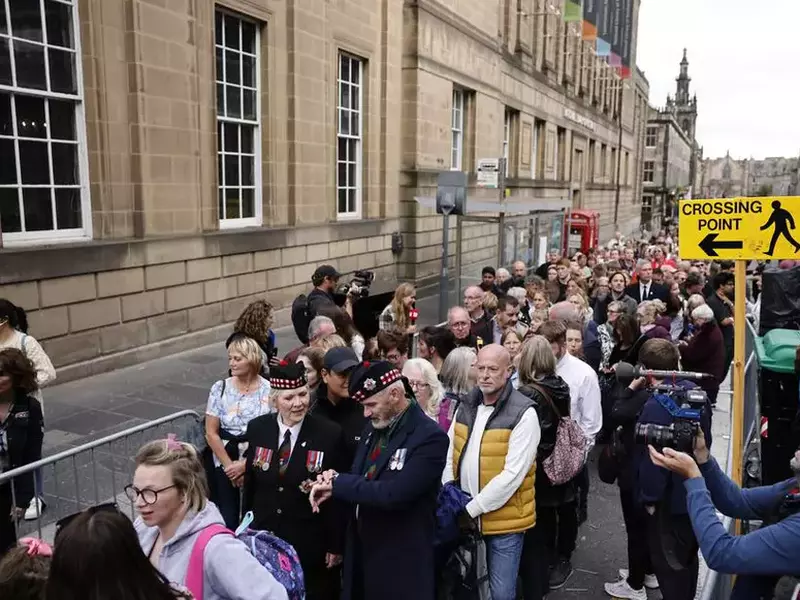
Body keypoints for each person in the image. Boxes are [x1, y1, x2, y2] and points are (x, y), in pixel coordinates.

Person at [308, 361, 448, 600]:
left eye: (371, 404)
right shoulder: (373, 428)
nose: (366, 413)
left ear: (394, 394)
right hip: (362, 556)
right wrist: (333, 483)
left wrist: (341, 483)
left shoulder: (430, 437)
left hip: (401, 565)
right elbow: (362, 477)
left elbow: (395, 494)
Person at [131, 437, 288, 600]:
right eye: (136, 491)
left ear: (184, 492)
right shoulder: (143, 528)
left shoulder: (218, 549)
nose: (138, 502)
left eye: (150, 493)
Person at [649, 434, 800, 600]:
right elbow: (738, 501)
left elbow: (721, 553)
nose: (798, 450)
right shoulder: (795, 487)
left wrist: (694, 479)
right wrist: (703, 457)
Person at [243, 361, 348, 600]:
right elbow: (251, 485)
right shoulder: (258, 429)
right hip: (267, 537)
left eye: (302, 394)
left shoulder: (329, 433)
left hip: (310, 541)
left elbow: (338, 495)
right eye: (289, 398)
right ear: (275, 400)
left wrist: (336, 544)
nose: (298, 403)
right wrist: (246, 528)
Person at [442, 344, 540, 600]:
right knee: (466, 585)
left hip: (503, 524)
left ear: (508, 372)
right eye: (480, 368)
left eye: (493, 369)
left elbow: (512, 477)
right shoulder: (466, 404)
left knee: (500, 593)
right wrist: (450, 491)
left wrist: (470, 509)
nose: (485, 375)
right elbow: (449, 452)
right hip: (464, 515)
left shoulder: (524, 413)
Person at [633, 339, 712, 600]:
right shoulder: (697, 395)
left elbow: (653, 460)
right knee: (687, 559)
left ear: (647, 371)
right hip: (694, 490)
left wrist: (650, 500)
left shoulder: (656, 405)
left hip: (668, 501)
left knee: (669, 566)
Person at [516, 336, 575, 600]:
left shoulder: (528, 392)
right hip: (557, 466)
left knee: (534, 532)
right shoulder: (560, 385)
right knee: (548, 524)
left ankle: (536, 585)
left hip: (538, 469)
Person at [204, 336, 272, 528]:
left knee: (255, 512)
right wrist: (230, 467)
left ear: (251, 359)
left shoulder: (269, 389)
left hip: (257, 458)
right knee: (227, 514)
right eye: (230, 358)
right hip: (224, 457)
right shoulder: (220, 388)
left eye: (237, 358)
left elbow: (273, 431)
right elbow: (211, 432)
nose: (232, 363)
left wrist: (245, 465)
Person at [0, 299, 55, 520]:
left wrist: (22, 387)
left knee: (29, 451)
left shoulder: (25, 342)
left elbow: (48, 372)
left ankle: (35, 497)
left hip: (23, 408)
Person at [0, 349, 44, 556]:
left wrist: (23, 498)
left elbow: (32, 456)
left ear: (16, 376)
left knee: (5, 545)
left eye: (2, 374)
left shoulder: (29, 407)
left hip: (9, 488)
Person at [314, 347, 365, 466]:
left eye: (352, 373)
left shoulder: (366, 408)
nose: (348, 380)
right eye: (342, 374)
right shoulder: (311, 409)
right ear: (325, 375)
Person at [679, 304, 725, 407]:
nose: (694, 322)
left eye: (695, 320)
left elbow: (693, 355)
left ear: (702, 319)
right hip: (708, 380)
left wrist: (681, 347)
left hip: (705, 382)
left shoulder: (708, 335)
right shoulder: (711, 330)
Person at [227, 299, 278, 373]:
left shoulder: (268, 335)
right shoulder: (242, 342)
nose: (273, 321)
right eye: (270, 317)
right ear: (260, 319)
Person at [438, 346, 477, 432]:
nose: (480, 367)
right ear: (461, 370)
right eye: (474, 365)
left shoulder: (475, 395)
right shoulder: (451, 402)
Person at [706, 271, 735, 377]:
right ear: (721, 286)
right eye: (730, 284)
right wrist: (733, 319)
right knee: (720, 372)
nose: (733, 286)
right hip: (722, 343)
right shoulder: (713, 301)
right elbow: (724, 321)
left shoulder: (726, 299)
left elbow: (737, 313)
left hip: (729, 341)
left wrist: (730, 303)